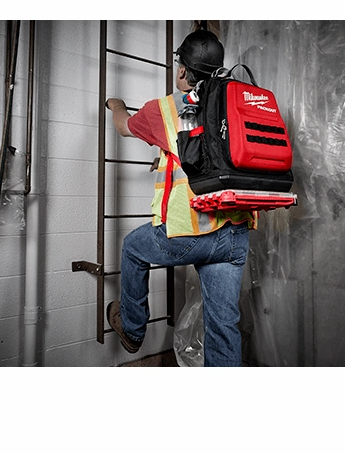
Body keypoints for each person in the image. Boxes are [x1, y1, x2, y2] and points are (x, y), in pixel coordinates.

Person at [105, 30, 257, 367]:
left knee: (132, 247)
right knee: (223, 327)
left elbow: (123, 125)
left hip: (189, 232)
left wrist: (115, 104)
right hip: (235, 233)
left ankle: (132, 329)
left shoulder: (167, 108)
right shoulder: (236, 101)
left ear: (183, 70)